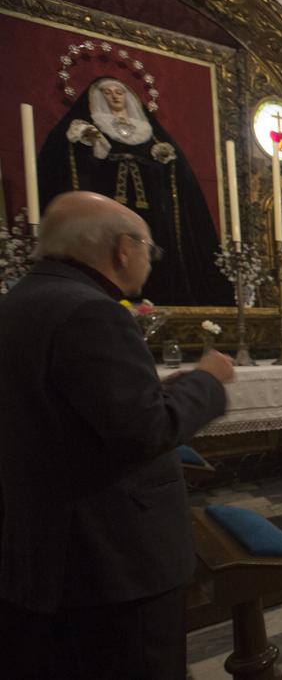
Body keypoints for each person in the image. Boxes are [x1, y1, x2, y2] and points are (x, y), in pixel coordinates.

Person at [0, 191, 234, 677]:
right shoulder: (91, 310)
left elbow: (70, 410)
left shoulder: (18, 302)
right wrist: (208, 379)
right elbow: (147, 430)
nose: (149, 258)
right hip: (111, 559)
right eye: (149, 248)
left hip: (42, 548)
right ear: (123, 249)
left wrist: (162, 389)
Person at [36, 76, 232, 306]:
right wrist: (88, 145)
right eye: (107, 93)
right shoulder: (89, 127)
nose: (114, 96)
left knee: (154, 252)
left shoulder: (149, 132)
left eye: (119, 92)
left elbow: (175, 174)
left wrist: (163, 159)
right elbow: (70, 166)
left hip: (150, 209)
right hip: (105, 207)